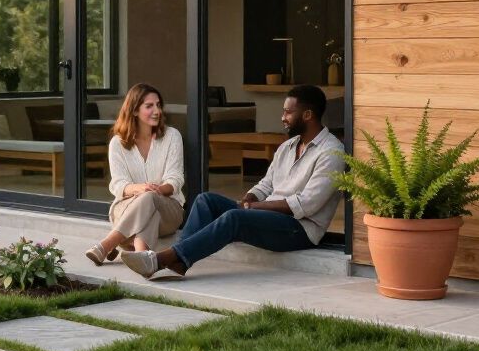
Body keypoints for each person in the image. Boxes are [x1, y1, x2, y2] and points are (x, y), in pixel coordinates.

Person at [121, 84, 344, 279]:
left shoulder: (331, 152)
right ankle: (179, 259)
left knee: (235, 218)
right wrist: (250, 198)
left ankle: (164, 259)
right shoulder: (288, 146)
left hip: (300, 229)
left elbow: (306, 205)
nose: (283, 117)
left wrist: (252, 208)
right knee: (205, 201)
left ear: (307, 115)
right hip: (268, 216)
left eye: (288, 112)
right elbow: (265, 185)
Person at [85, 83, 185, 266]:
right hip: (125, 208)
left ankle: (108, 244)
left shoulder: (172, 136)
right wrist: (142, 188)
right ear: (134, 111)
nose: (157, 111)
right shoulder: (117, 143)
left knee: (150, 199)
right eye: (149, 106)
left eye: (158, 105)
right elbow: (118, 184)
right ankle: (143, 257)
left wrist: (158, 190)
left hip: (169, 210)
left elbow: (176, 178)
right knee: (148, 204)